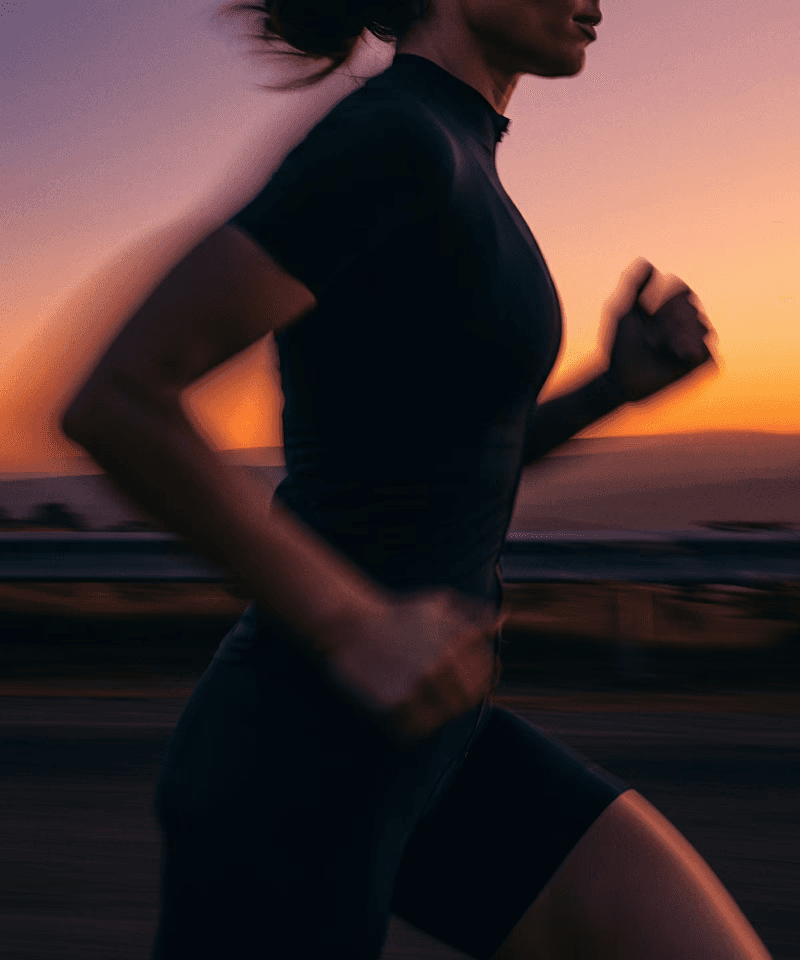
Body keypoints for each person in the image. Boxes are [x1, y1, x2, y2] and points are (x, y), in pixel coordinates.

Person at [61, 0, 773, 957]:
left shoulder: (460, 155)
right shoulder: (394, 136)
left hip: (437, 744)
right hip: (298, 764)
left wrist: (614, 389)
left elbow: (449, 454)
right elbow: (120, 399)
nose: (600, 1)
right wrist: (353, 623)